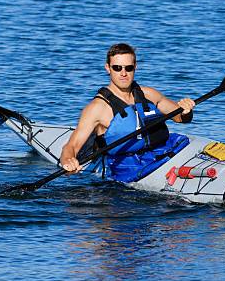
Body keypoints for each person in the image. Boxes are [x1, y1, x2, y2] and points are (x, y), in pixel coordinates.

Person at [60, 43, 195, 182]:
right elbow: (72, 146)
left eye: (128, 68)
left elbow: (181, 118)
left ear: (135, 67)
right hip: (124, 166)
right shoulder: (97, 108)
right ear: (108, 68)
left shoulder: (149, 94)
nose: (123, 73)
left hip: (161, 152)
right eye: (117, 68)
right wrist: (68, 161)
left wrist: (186, 111)